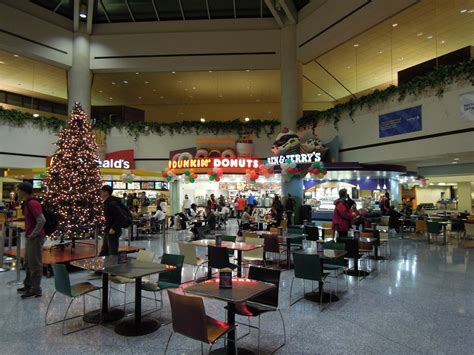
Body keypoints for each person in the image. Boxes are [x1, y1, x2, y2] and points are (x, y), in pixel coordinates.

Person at [16, 182, 46, 299]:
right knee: (28, 263)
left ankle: (36, 289)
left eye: (18, 190)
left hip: (35, 238)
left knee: (35, 264)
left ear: (24, 191)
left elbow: (41, 220)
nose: (17, 192)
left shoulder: (33, 203)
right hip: (31, 236)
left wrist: (33, 234)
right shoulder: (28, 202)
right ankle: (28, 285)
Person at [100, 185, 123, 256]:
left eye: (101, 192)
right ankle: (104, 265)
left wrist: (114, 228)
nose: (100, 194)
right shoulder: (108, 202)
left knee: (112, 252)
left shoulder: (111, 203)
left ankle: (113, 266)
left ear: (106, 192)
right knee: (105, 250)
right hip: (109, 229)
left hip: (113, 230)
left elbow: (120, 216)